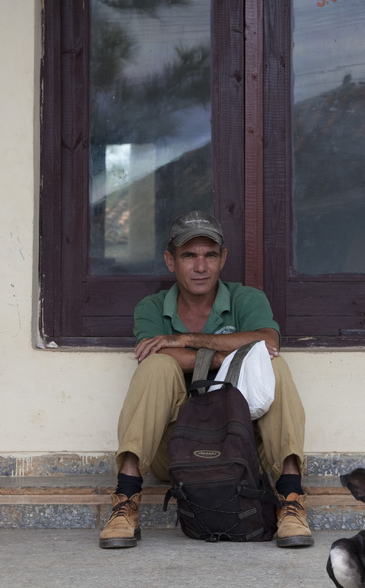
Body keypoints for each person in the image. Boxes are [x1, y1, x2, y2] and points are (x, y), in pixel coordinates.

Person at [99, 210, 313, 550]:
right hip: (178, 451)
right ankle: (125, 502)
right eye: (189, 256)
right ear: (170, 261)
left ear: (223, 259)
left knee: (276, 367)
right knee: (156, 367)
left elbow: (268, 344)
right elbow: (156, 356)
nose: (201, 267)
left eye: (210, 255)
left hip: (244, 451)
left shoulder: (246, 298)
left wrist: (185, 340)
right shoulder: (151, 308)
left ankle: (290, 499)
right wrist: (234, 353)